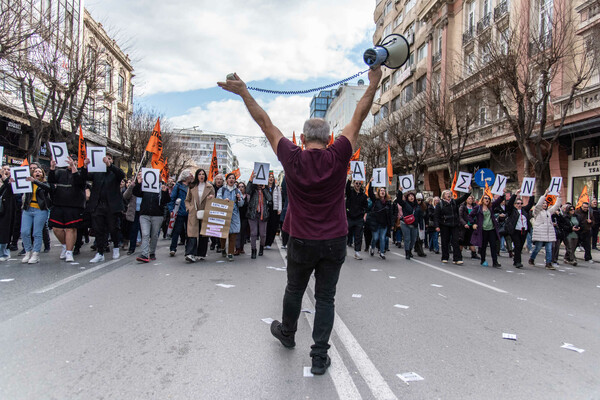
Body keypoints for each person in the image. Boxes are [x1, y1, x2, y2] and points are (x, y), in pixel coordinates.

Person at [218, 66, 381, 375]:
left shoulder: (292, 157)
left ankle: (288, 334)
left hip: (302, 239)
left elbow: (265, 122)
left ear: (303, 138)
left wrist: (244, 92)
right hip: (334, 240)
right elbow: (359, 116)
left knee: (294, 289)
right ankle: (320, 356)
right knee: (326, 298)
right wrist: (373, 84)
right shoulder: (339, 155)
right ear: (330, 137)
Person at [85, 154, 126, 263]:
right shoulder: (97, 172)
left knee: (113, 228)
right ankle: (100, 252)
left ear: (112, 160)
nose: (106, 160)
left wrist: (109, 165)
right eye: (104, 158)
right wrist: (85, 166)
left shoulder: (114, 172)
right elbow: (84, 177)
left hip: (112, 206)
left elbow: (121, 175)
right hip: (98, 205)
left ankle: (116, 247)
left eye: (109, 158)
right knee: (98, 229)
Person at [47, 157, 86, 263]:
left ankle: (69, 252)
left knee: (71, 229)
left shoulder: (81, 173)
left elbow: (80, 183)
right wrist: (52, 168)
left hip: (74, 206)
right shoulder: (60, 172)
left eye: (74, 161)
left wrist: (74, 167)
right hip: (58, 204)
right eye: (70, 161)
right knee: (56, 229)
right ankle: (65, 245)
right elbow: (50, 180)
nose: (71, 163)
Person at [132, 171, 171, 263]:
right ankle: (145, 254)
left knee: (154, 235)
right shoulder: (145, 186)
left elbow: (167, 201)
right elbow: (136, 193)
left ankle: (152, 252)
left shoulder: (162, 187)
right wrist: (138, 183)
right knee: (145, 234)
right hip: (144, 214)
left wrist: (165, 192)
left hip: (157, 215)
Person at [21, 167, 51, 264]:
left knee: (37, 233)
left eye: (39, 171)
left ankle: (35, 254)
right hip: (28, 209)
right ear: (32, 174)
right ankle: (27, 251)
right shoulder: (27, 183)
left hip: (40, 210)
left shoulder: (44, 184)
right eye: (35, 171)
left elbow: (48, 189)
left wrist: (35, 182)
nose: (37, 173)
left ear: (42, 174)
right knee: (24, 232)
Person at [184, 169, 215, 263]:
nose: (201, 176)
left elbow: (214, 200)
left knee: (203, 233)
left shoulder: (210, 187)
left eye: (203, 174)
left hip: (205, 211)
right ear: (197, 176)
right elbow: (187, 200)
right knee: (192, 233)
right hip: (194, 212)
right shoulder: (192, 186)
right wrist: (189, 208)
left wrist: (212, 198)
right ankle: (190, 253)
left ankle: (201, 253)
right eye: (199, 174)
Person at [434, 189, 470, 264]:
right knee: (445, 241)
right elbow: (436, 216)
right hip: (445, 225)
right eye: (447, 193)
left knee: (455, 241)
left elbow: (463, 198)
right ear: (443, 195)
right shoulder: (440, 204)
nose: (448, 194)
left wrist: (468, 192)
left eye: (449, 193)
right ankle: (445, 257)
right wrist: (437, 226)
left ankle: (457, 258)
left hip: (454, 224)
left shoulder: (454, 202)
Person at [470, 193, 505, 268]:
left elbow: (499, 201)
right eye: (485, 198)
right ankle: (483, 260)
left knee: (493, 246)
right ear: (482, 200)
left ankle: (495, 262)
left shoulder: (491, 207)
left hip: (491, 229)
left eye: (488, 199)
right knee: (483, 246)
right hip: (482, 230)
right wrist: (473, 224)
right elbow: (470, 216)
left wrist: (502, 194)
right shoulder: (478, 208)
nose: (487, 200)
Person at [529, 192, 562, 269]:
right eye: (543, 203)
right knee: (538, 248)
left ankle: (548, 263)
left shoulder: (548, 212)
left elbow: (556, 206)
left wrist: (558, 197)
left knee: (549, 249)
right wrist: (545, 195)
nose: (544, 205)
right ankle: (532, 259)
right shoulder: (537, 212)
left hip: (548, 234)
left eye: (546, 203)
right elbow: (538, 206)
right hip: (540, 233)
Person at [217, 172, 245, 261]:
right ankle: (222, 248)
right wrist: (223, 201)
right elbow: (217, 200)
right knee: (223, 234)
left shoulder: (237, 191)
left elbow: (241, 204)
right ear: (227, 180)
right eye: (230, 178)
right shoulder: (222, 190)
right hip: (224, 214)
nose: (231, 179)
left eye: (233, 178)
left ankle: (230, 253)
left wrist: (239, 199)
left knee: (233, 234)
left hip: (234, 214)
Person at [504, 190, 535, 268]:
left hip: (523, 231)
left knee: (520, 246)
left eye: (521, 203)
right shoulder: (512, 211)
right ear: (515, 204)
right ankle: (518, 262)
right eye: (518, 203)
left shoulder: (524, 210)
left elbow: (530, 204)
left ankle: (515, 260)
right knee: (517, 245)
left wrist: (532, 195)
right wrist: (515, 194)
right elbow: (509, 204)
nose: (519, 205)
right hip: (515, 231)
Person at [246, 176, 272, 259]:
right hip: (253, 214)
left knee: (263, 234)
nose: (259, 184)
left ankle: (261, 247)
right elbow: (247, 191)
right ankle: (253, 250)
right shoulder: (252, 190)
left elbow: (270, 198)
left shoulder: (266, 190)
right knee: (253, 233)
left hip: (263, 215)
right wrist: (250, 180)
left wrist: (264, 189)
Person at [168, 170, 193, 257]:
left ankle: (188, 250)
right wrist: (171, 210)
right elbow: (172, 199)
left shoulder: (192, 186)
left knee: (189, 232)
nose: (192, 177)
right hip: (180, 212)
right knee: (177, 231)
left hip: (189, 212)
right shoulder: (178, 186)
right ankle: (173, 248)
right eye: (190, 175)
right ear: (186, 177)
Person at [367, 183, 393, 259]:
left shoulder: (388, 203)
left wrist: (391, 224)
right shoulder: (375, 200)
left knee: (382, 238)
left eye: (384, 191)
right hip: (375, 223)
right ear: (378, 192)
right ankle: (372, 247)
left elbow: (390, 213)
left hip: (384, 224)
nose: (382, 192)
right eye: (381, 190)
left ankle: (382, 252)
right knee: (375, 238)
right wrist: (371, 183)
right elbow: (370, 193)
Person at [395, 190, 421, 260]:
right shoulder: (405, 204)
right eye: (409, 196)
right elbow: (399, 200)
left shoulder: (417, 206)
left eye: (412, 196)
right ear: (407, 198)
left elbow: (420, 216)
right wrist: (400, 191)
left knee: (413, 239)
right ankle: (407, 253)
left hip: (414, 224)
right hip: (405, 223)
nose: (411, 197)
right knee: (407, 239)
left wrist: (421, 226)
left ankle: (410, 250)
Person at [345, 177, 368, 260]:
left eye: (359, 183)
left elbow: (366, 207)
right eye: (356, 183)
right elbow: (347, 188)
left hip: (359, 218)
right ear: (354, 184)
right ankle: (344, 249)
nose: (358, 185)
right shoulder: (350, 193)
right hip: (350, 217)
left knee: (358, 236)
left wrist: (364, 215)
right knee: (345, 233)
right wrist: (349, 179)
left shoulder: (364, 196)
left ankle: (357, 252)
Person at [0, 166, 16, 261]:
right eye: (4, 169)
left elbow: (12, 190)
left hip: (7, 210)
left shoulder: (12, 181)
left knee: (5, 231)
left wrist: (4, 178)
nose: (6, 171)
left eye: (8, 170)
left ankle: (4, 252)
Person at [458, 195, 479, 260]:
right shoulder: (463, 207)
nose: (470, 200)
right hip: (464, 226)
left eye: (471, 199)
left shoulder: (474, 207)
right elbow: (460, 216)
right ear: (466, 200)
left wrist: (475, 223)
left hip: (471, 226)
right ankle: (459, 253)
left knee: (471, 240)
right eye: (469, 198)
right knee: (462, 240)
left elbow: (476, 216)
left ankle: (474, 253)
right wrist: (464, 224)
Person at [265, 173, 282, 249]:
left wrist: (279, 209)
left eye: (272, 177)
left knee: (273, 226)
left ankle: (269, 243)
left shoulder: (277, 188)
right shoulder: (264, 187)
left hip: (274, 209)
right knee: (266, 226)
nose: (271, 178)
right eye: (269, 177)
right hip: (266, 209)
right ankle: (264, 242)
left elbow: (279, 199)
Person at [209, 174, 225, 252]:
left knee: (219, 228)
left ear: (223, 181)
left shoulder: (224, 189)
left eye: (220, 179)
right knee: (212, 227)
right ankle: (213, 242)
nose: (219, 181)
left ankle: (219, 245)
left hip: (221, 210)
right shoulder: (211, 188)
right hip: (212, 209)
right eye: (217, 179)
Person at [235, 181, 250, 255]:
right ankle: (237, 248)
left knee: (243, 233)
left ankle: (241, 247)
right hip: (237, 216)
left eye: (242, 187)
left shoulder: (247, 196)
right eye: (239, 187)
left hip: (245, 217)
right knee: (237, 232)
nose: (241, 188)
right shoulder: (236, 195)